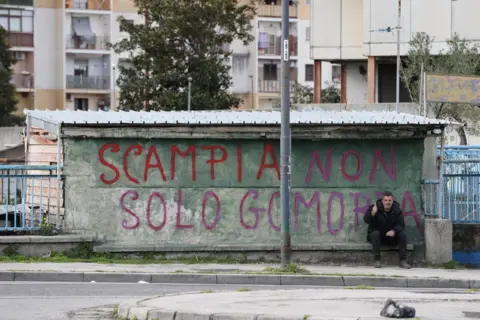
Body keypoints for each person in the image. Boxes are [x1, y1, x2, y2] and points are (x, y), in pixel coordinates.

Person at [363, 191, 412, 269]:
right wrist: (372, 213)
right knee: (375, 233)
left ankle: (403, 261)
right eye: (385, 200)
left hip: (391, 237)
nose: (387, 202)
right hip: (377, 237)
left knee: (402, 234)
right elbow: (366, 220)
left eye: (389, 200)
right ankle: (377, 260)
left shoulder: (396, 209)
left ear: (392, 201)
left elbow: (401, 224)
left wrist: (394, 231)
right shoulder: (374, 207)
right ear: (382, 201)